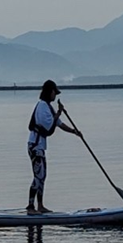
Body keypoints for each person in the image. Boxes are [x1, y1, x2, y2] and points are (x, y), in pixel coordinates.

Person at [26, 80, 82, 214]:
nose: (55, 95)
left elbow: (59, 124)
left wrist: (75, 131)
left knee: (43, 175)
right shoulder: (41, 106)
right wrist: (59, 112)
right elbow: (48, 126)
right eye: (54, 92)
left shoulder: (48, 107)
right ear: (49, 92)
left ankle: (40, 205)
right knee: (38, 176)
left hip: (40, 146)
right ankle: (30, 207)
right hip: (35, 145)